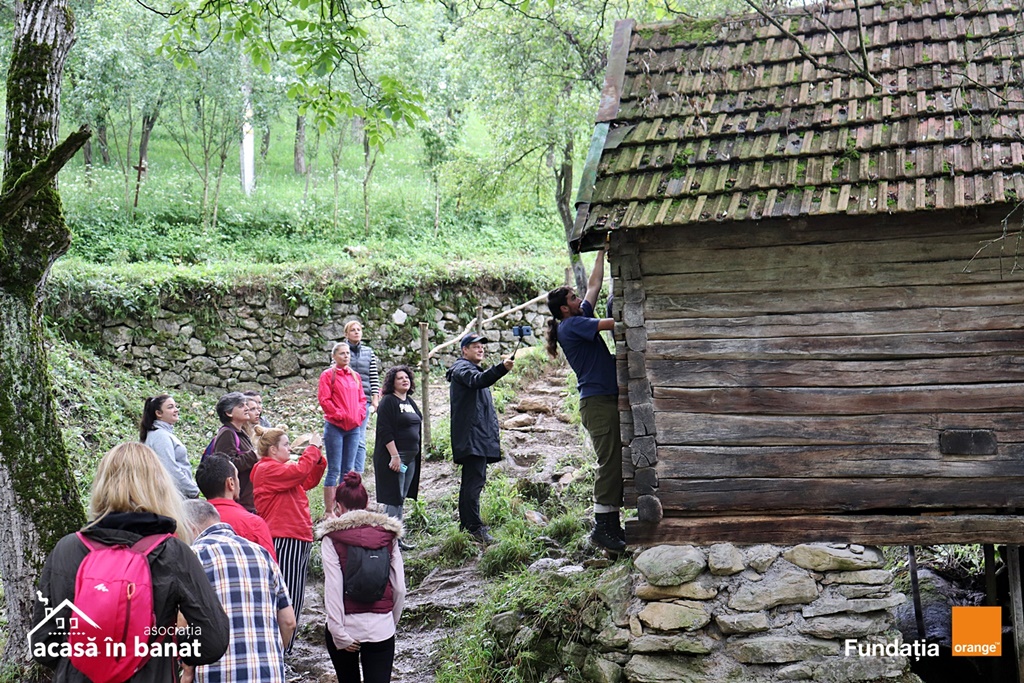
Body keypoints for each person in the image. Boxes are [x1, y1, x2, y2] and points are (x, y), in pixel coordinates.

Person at [31, 442, 230, 682]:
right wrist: (164, 644)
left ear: (102, 485)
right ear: (160, 487)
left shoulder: (68, 548)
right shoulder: (174, 553)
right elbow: (212, 641)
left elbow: (42, 642)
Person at [546, 247, 625, 553]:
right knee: (609, 462)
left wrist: (603, 252)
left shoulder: (576, 317)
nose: (579, 300)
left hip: (603, 401)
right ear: (564, 309)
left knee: (616, 459)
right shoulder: (572, 325)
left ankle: (612, 524)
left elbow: (593, 285)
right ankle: (602, 527)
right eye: (572, 299)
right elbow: (614, 323)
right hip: (596, 403)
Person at [182, 500, 296, 683]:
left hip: (217, 675)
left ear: (189, 526)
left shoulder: (192, 556)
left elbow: (182, 625)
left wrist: (187, 669)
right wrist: (271, 656)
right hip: (269, 674)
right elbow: (289, 621)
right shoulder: (261, 553)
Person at [319, 472, 405, 683]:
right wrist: (388, 622)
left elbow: (333, 587)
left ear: (338, 506)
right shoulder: (388, 535)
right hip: (382, 628)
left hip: (346, 628)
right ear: (366, 503)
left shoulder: (332, 538)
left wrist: (339, 633)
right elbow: (400, 587)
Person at [251, 428, 327, 653]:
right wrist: (312, 448)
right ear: (273, 450)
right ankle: (281, 652)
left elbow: (309, 478)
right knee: (288, 596)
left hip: (298, 536)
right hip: (285, 537)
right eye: (286, 445)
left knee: (295, 594)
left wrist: (318, 455)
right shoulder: (266, 469)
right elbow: (302, 471)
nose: (291, 448)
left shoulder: (281, 471)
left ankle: (283, 649)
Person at [446, 333, 514, 543]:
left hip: (476, 437)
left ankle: (468, 525)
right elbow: (478, 381)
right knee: (474, 483)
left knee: (472, 482)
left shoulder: (470, 369)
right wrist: (501, 368)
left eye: (482, 346)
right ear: (464, 350)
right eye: (475, 346)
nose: (480, 349)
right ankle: (474, 528)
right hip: (471, 438)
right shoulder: (463, 369)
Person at [372, 366, 422, 547]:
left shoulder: (410, 402)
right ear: (392, 382)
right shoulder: (388, 402)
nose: (404, 380)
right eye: (400, 378)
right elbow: (385, 430)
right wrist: (394, 456)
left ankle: (396, 536)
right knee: (393, 497)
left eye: (407, 377)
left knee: (400, 497)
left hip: (410, 459)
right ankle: (391, 539)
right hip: (396, 458)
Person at [195, 454, 278, 561]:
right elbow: (272, 569)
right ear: (231, 483)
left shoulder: (189, 524)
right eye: (237, 477)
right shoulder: (254, 524)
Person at [319, 341, 367, 517]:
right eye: (342, 354)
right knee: (334, 469)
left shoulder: (355, 376)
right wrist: (339, 414)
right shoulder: (327, 375)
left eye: (347, 353)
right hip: (335, 426)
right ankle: (329, 510)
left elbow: (362, 399)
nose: (346, 356)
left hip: (353, 426)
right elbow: (325, 399)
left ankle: (344, 507)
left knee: (348, 470)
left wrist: (360, 414)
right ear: (334, 356)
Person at [139, 393, 199, 499]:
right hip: (171, 497)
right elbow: (170, 469)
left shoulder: (162, 434)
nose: (176, 410)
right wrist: (192, 490)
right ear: (158, 413)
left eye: (176, 406)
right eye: (170, 407)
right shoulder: (160, 436)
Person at [212, 392, 259, 513]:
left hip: (248, 498)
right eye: (241, 406)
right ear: (228, 413)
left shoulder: (240, 433)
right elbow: (227, 466)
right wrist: (254, 455)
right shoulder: (227, 434)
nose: (247, 408)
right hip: (240, 500)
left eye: (245, 405)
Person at [344, 320, 381, 475]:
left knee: (360, 436)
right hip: (346, 401)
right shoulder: (342, 351)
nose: (356, 332)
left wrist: (375, 397)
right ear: (346, 334)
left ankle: (357, 473)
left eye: (359, 329)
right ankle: (347, 470)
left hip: (363, 400)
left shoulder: (368, 352)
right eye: (353, 330)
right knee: (348, 436)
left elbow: (373, 376)